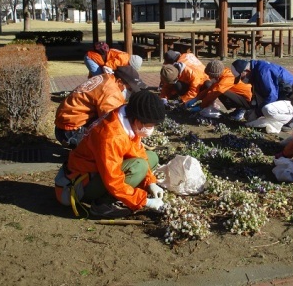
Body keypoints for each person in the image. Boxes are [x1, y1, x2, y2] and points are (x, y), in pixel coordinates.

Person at [54, 90, 167, 218]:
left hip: (96, 173)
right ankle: (102, 205)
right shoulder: (111, 136)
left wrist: (150, 182)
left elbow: (137, 151)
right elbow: (113, 180)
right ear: (138, 121)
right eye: (151, 125)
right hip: (77, 185)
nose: (152, 129)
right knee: (139, 166)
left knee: (151, 158)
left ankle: (125, 194)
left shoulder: (127, 117)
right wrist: (145, 201)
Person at [54, 66, 144, 148]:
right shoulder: (110, 92)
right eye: (129, 88)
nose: (129, 91)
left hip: (66, 124)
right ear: (120, 81)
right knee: (108, 146)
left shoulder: (106, 78)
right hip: (71, 132)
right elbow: (115, 121)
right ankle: (78, 160)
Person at [230, 59, 293, 133]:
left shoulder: (263, 72)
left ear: (247, 71)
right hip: (281, 94)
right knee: (261, 108)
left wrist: (257, 112)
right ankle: (277, 116)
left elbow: (272, 96)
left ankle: (289, 118)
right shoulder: (255, 69)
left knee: (267, 110)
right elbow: (258, 93)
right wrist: (253, 109)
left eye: (241, 77)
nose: (242, 80)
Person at [185, 60, 252, 120]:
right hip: (240, 97)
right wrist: (196, 98)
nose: (209, 77)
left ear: (215, 75)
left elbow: (214, 92)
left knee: (221, 91)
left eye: (210, 75)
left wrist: (201, 106)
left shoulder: (227, 78)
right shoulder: (222, 73)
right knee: (216, 88)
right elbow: (211, 89)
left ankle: (242, 109)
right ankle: (239, 108)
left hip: (248, 101)